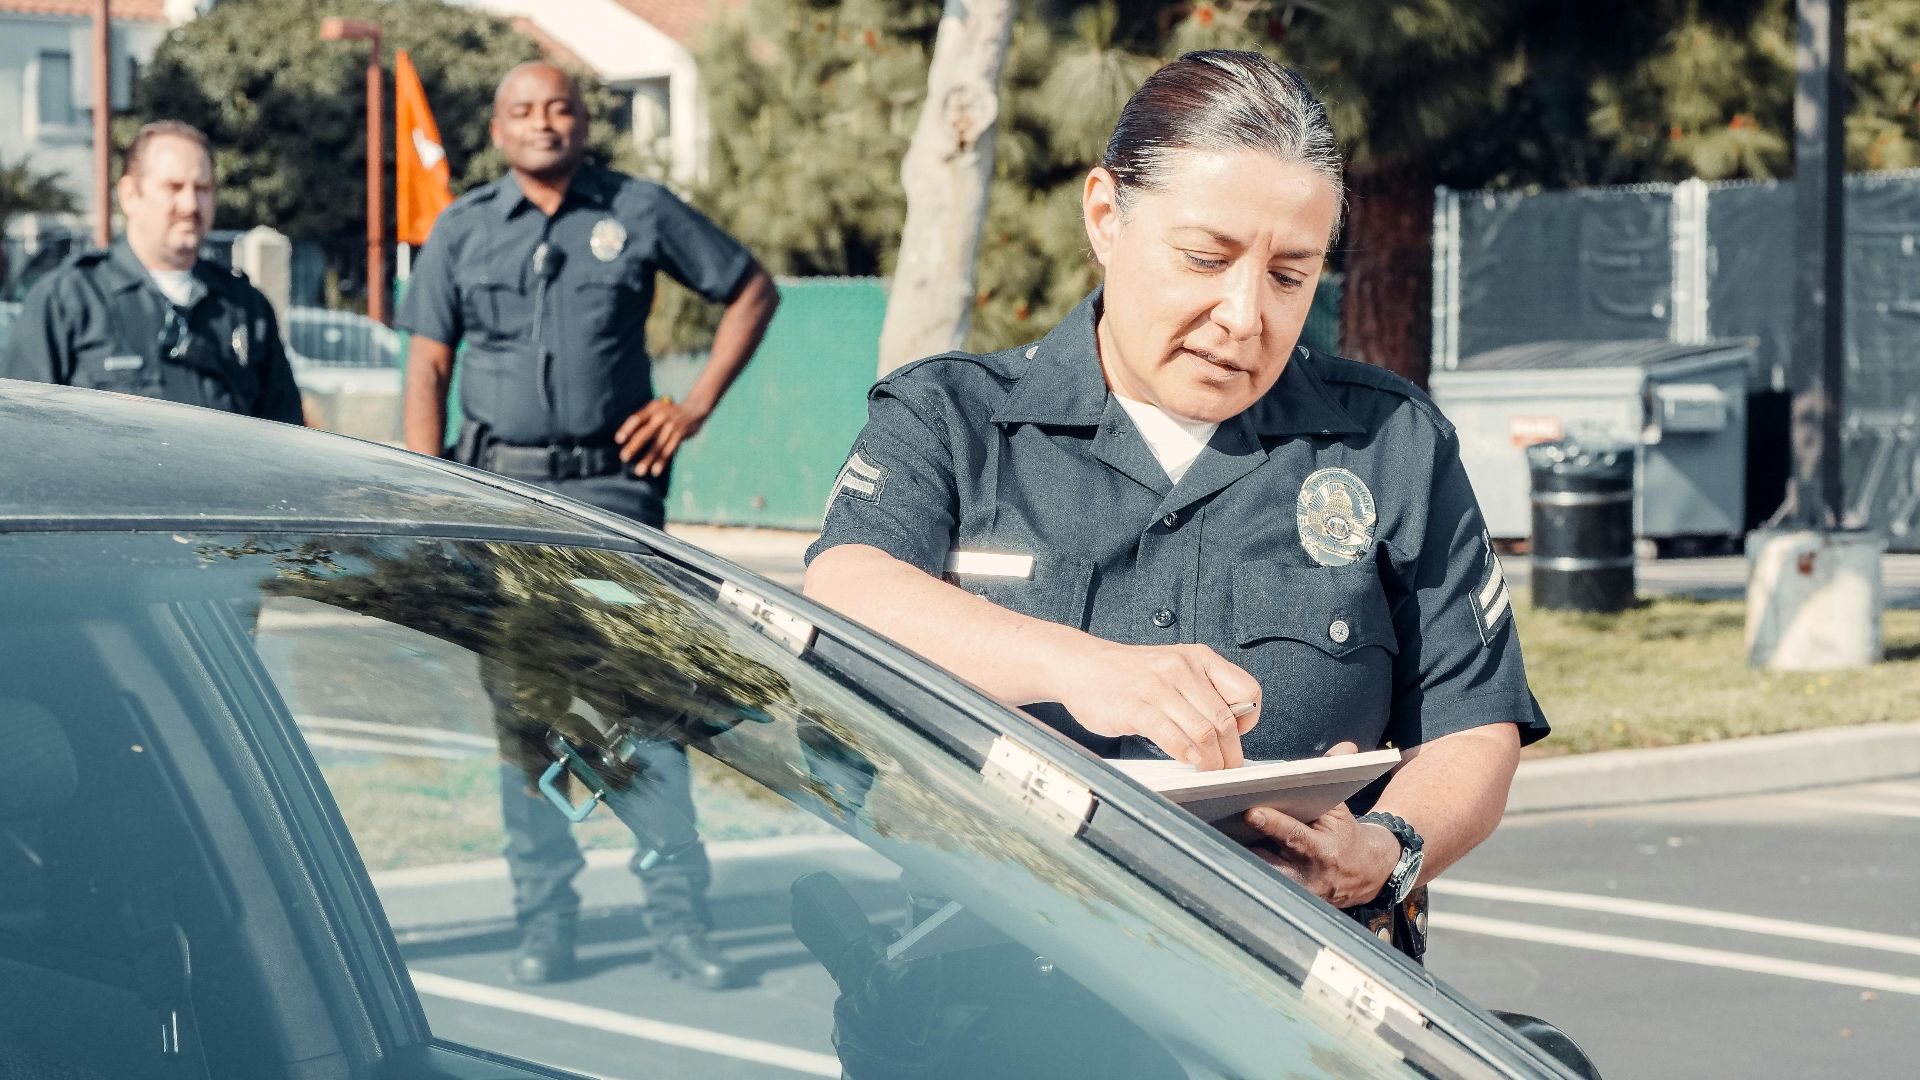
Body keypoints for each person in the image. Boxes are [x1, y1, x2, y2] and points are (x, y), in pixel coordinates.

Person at [804, 51, 1549, 966]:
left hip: (1292, 1001)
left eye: (1290, 274)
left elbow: (1474, 725)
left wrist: (1383, 853)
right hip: (986, 987)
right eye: (1205, 258)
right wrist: (1084, 668)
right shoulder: (952, 417)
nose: (1244, 314)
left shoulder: (1393, 445)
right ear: (1106, 216)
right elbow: (846, 588)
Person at [398, 61, 779, 989]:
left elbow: (752, 289)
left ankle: (679, 922)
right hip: (500, 500)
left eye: (560, 106)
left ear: (582, 120)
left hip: (613, 496)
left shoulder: (640, 210)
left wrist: (690, 407)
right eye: (523, 110)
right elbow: (426, 371)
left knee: (644, 707)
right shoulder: (462, 228)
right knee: (529, 723)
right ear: (497, 129)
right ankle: (545, 922)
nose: (543, 122)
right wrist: (427, 498)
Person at [1, 121, 303, 424]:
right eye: (173, 187)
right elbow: (25, 435)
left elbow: (285, 438)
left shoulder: (246, 309)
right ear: (131, 194)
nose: (189, 205)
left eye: (202, 189)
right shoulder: (67, 301)